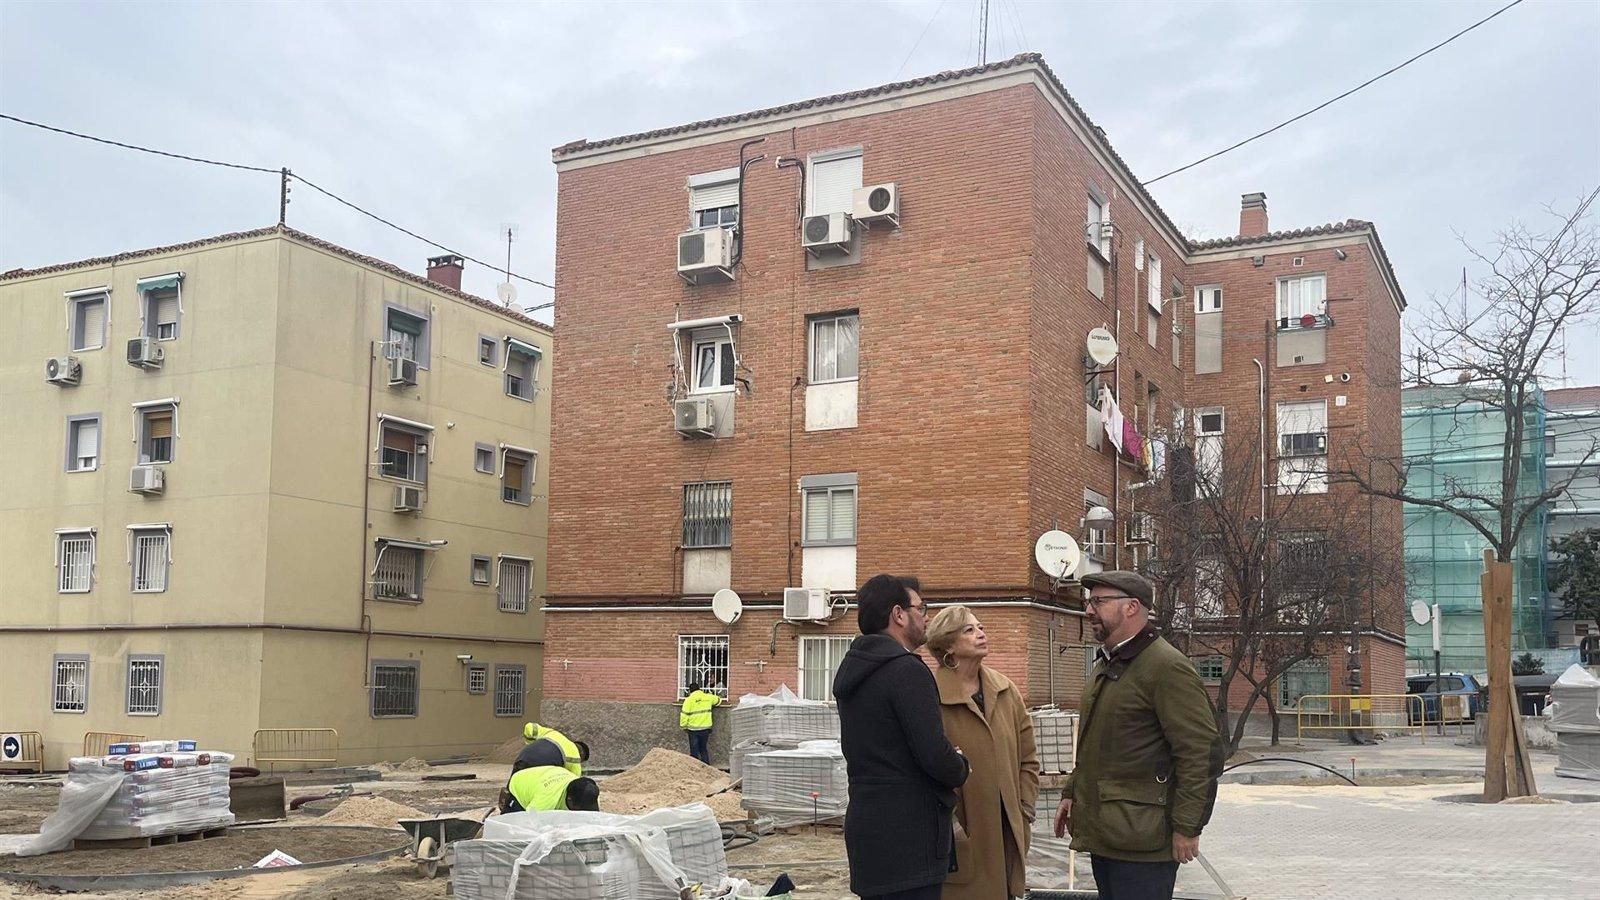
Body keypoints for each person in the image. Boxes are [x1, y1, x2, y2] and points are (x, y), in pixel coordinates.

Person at [1053, 571, 1223, 900]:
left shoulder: (1164, 666)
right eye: (1090, 602)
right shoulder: (1110, 662)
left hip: (1144, 842)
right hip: (1111, 833)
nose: (1089, 610)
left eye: (1099, 602)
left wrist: (1188, 826)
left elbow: (1200, 753)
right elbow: (1095, 744)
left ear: (1131, 607)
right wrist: (1071, 791)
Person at [834, 574, 970, 900]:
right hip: (910, 842)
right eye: (921, 608)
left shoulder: (853, 668)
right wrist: (960, 765)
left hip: (869, 832)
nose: (926, 617)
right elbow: (934, 754)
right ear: (898, 614)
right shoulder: (905, 669)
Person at [925, 605, 1040, 900]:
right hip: (962, 836)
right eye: (969, 630)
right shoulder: (930, 696)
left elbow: (1028, 758)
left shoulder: (1006, 690)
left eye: (981, 627)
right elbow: (921, 769)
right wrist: (951, 824)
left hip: (1006, 833)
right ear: (948, 644)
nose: (981, 633)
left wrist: (1024, 809)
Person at [500, 741, 601, 813]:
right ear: (570, 801)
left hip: (548, 775)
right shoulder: (544, 803)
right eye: (580, 809)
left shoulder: (589, 793)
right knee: (516, 827)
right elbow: (530, 824)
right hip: (520, 783)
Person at [679, 682, 724, 764]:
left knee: (694, 751)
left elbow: (684, 715)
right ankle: (706, 768)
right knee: (703, 749)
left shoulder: (688, 700)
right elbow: (718, 700)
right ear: (699, 689)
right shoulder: (707, 697)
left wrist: (683, 727)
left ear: (690, 691)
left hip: (693, 730)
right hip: (705, 729)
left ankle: (695, 770)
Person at [521, 722, 588, 775]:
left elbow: (530, 727)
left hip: (523, 758)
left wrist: (530, 744)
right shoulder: (575, 757)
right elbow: (575, 784)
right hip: (540, 770)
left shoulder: (555, 734)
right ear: (581, 756)